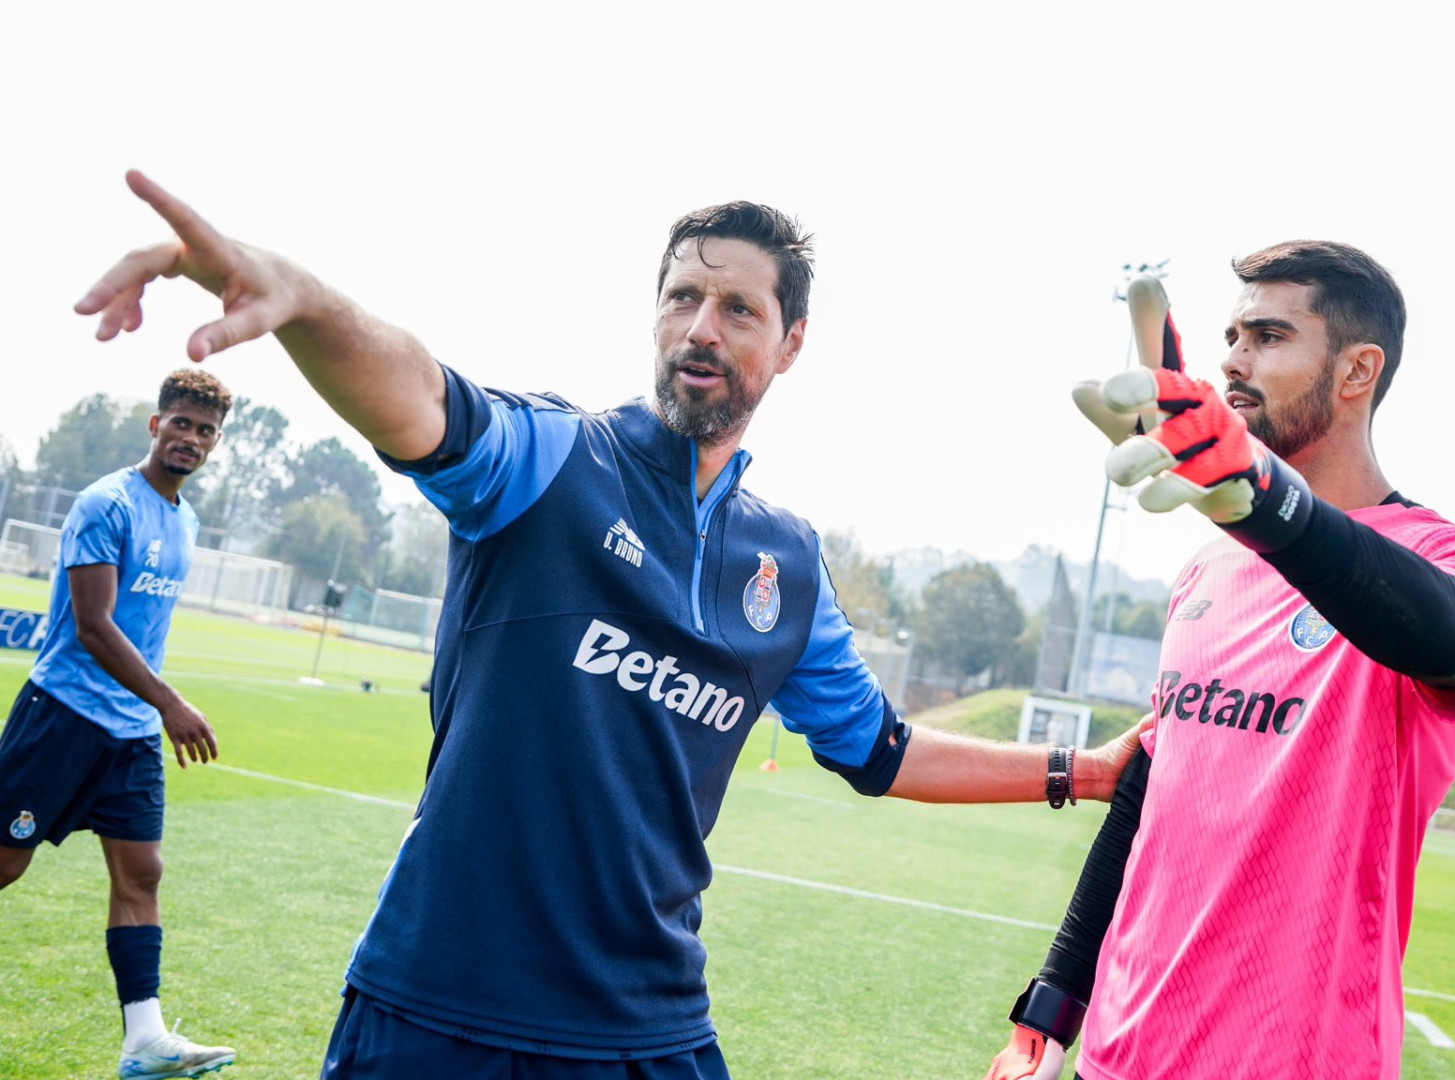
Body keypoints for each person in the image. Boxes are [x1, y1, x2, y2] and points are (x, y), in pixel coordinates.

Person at [75, 171, 1140, 1080]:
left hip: (648, 1029)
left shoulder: (789, 564)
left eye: (737, 308)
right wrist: (304, 301)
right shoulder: (553, 461)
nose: (701, 329)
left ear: (792, 340)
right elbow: (420, 402)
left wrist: (1085, 774)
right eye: (682, 298)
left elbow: (879, 748)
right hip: (437, 1007)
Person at [983, 242, 1455, 1080]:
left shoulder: (1450, 559)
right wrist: (1050, 1011)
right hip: (1119, 1056)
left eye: (1268, 336)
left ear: (1356, 371)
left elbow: (1454, 641)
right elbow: (1148, 795)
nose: (1233, 361)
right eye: (1231, 336)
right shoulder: (1209, 568)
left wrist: (1267, 503)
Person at [0, 368, 236, 1079]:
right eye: (180, 423)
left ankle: (145, 1039)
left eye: (204, 430)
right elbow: (96, 628)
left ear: (215, 442)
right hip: (63, 716)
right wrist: (172, 703)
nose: (190, 438)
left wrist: (151, 709)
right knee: (6, 863)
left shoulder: (186, 520)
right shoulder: (106, 503)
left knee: (143, 872)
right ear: (154, 424)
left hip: (129, 736)